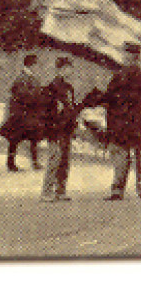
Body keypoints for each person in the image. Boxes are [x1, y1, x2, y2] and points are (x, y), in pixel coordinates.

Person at [86, 41, 141, 200]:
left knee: (121, 156)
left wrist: (96, 97)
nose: (126, 57)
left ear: (130, 57)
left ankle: (118, 190)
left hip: (122, 123)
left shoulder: (119, 77)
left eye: (127, 55)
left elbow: (110, 98)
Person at [39, 56, 79, 200]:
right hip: (55, 129)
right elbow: (47, 110)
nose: (71, 70)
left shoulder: (69, 88)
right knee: (55, 159)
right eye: (68, 67)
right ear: (61, 69)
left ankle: (60, 190)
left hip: (67, 128)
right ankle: (47, 191)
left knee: (64, 160)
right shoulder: (52, 87)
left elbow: (71, 107)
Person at [2, 53, 44, 172]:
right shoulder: (21, 78)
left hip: (30, 114)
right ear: (31, 65)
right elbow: (23, 95)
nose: (38, 67)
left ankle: (35, 162)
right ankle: (10, 163)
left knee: (34, 138)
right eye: (36, 64)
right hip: (20, 114)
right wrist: (37, 98)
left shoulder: (33, 77)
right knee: (15, 139)